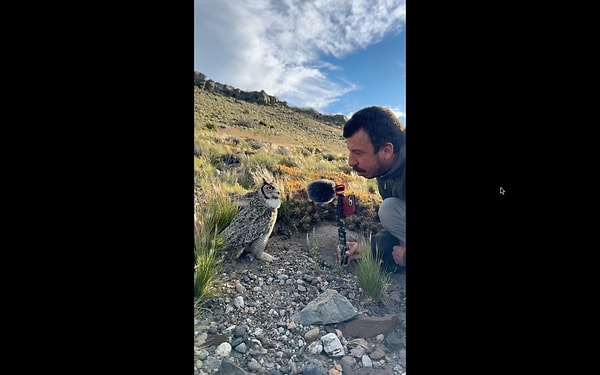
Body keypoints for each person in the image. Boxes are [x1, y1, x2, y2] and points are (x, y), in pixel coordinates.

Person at [343, 106, 406, 273]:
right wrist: (368, 248)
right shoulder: (385, 171)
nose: (351, 162)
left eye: (358, 152)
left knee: (388, 209)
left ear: (387, 151)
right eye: (350, 151)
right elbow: (399, 223)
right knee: (390, 210)